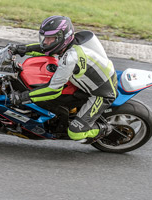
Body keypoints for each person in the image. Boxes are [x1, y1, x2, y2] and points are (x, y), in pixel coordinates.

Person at [9, 15, 118, 143]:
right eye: (45, 38)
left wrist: (23, 97)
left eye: (51, 39)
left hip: (101, 93)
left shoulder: (70, 59)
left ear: (63, 38)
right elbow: (44, 49)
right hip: (89, 78)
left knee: (75, 133)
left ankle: (106, 129)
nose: (45, 42)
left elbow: (53, 90)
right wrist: (22, 49)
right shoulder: (69, 43)